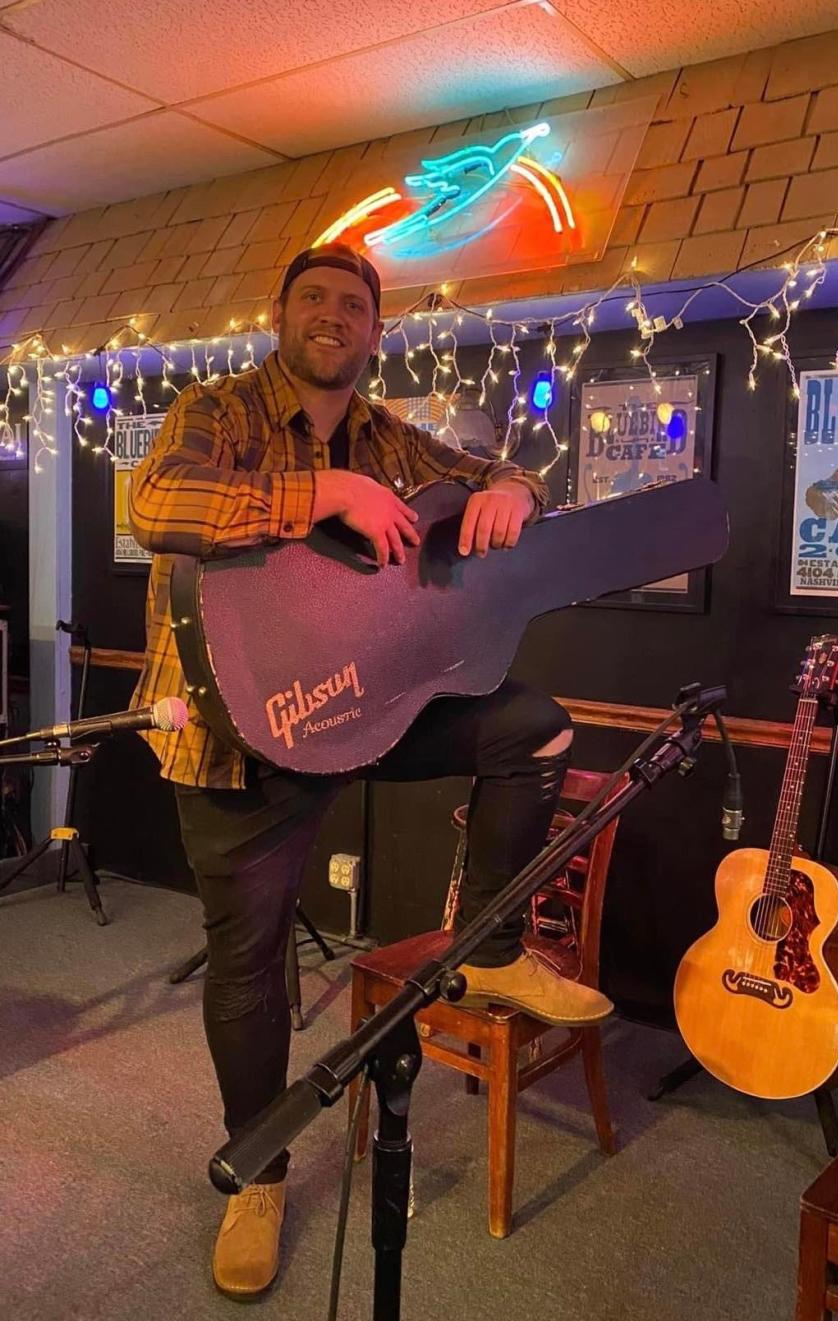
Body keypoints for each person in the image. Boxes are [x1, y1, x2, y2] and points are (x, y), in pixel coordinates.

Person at [128, 242, 612, 1300]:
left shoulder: (390, 431)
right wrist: (322, 491)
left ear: (376, 329)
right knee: (251, 964)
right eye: (314, 298)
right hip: (232, 737)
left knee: (533, 726)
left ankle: (489, 943)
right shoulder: (218, 410)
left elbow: (492, 473)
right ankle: (257, 1173)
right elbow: (156, 501)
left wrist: (519, 490)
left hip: (356, 712)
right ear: (283, 312)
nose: (334, 315)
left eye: (355, 304)